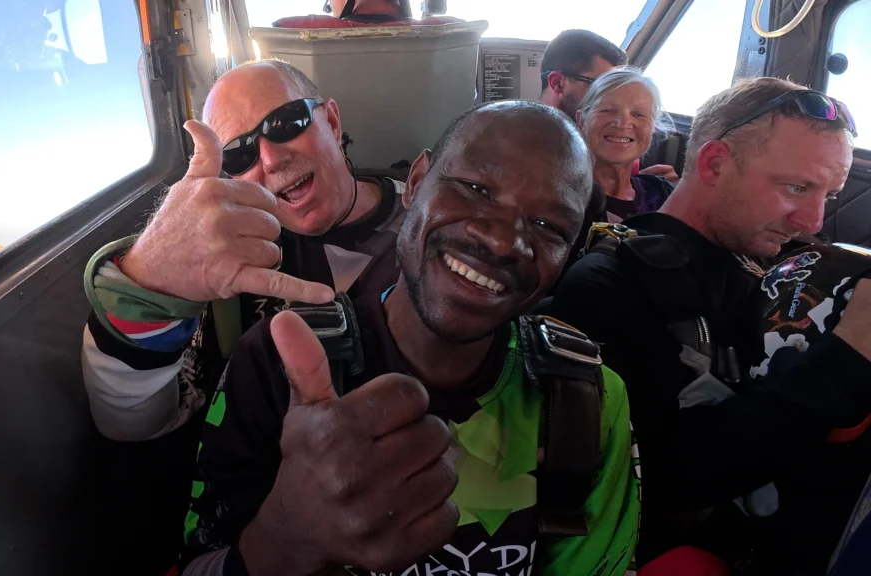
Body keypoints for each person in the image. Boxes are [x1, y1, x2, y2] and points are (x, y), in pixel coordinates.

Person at [177, 101, 641, 576]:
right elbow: (200, 563)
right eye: (477, 189)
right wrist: (287, 535)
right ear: (417, 181)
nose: (504, 241)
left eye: (549, 227)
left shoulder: (584, 398)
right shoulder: (280, 363)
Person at [81, 59, 409, 573]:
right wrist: (147, 288)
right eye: (238, 153)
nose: (271, 158)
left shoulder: (432, 224)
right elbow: (134, 423)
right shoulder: (224, 271)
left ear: (331, 120)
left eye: (285, 123)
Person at [546, 77, 871, 573]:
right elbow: (663, 475)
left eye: (829, 195)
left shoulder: (764, 262)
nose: (813, 221)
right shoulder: (610, 286)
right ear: (715, 163)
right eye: (796, 188)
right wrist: (849, 356)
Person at [540, 30, 679, 184]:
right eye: (603, 84)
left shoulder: (621, 142)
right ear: (558, 83)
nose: (623, 123)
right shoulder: (530, 151)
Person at [577, 67, 677, 221]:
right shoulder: (561, 197)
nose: (623, 124)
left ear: (653, 128)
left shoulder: (662, 194)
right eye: (607, 110)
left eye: (639, 114)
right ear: (582, 121)